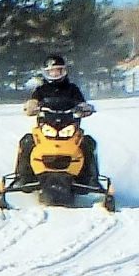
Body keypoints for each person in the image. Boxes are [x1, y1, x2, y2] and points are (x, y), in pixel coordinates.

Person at [14, 55, 101, 185]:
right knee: (27, 142)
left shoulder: (72, 89)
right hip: (47, 125)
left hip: (69, 124)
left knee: (87, 143)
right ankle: (23, 177)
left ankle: (91, 178)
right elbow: (33, 101)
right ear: (46, 72)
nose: (55, 74)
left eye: (58, 70)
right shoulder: (41, 90)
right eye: (52, 71)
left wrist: (85, 108)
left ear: (64, 71)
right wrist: (31, 106)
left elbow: (81, 102)